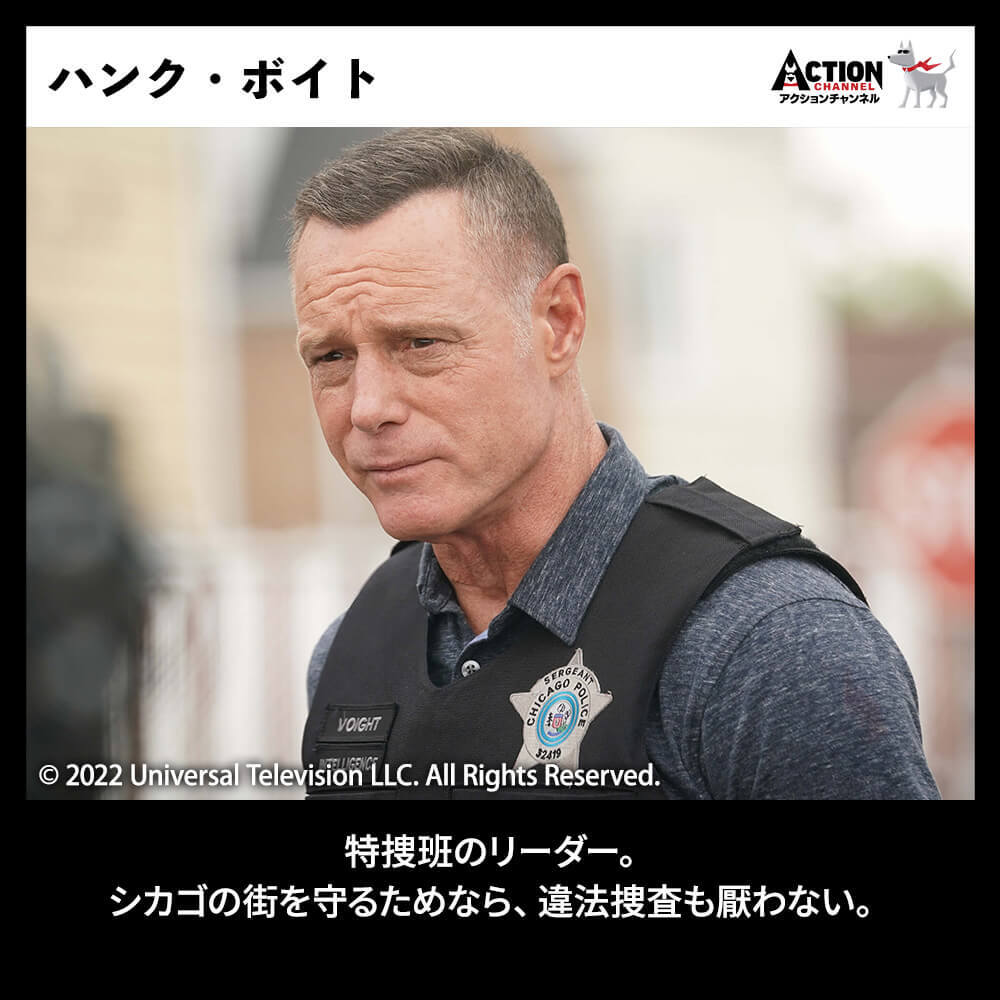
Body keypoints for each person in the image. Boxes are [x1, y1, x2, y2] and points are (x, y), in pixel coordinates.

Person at [291, 128, 940, 800]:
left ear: (559, 321)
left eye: (421, 343)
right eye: (331, 357)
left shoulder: (767, 643)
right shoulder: (351, 652)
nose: (368, 407)